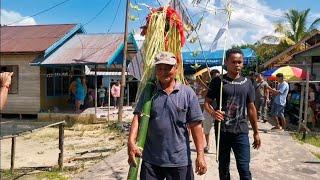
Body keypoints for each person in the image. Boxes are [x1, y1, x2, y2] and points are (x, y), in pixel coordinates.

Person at [127, 51, 207, 180]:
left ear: (176, 69)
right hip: (151, 160)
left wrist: (200, 155)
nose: (163, 72)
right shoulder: (149, 92)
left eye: (168, 68)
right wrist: (131, 141)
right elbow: (137, 117)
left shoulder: (187, 93)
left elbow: (196, 125)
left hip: (179, 160)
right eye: (160, 68)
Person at [204, 48, 261, 180]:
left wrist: (256, 132)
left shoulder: (247, 83)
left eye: (240, 62)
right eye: (234, 62)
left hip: (241, 131)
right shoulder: (218, 81)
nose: (237, 65)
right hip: (222, 131)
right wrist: (213, 112)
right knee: (223, 168)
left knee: (244, 168)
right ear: (226, 62)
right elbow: (207, 103)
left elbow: (251, 108)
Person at [203, 69, 220, 153]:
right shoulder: (208, 85)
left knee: (220, 129)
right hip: (208, 108)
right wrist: (207, 89)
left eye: (218, 76)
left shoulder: (222, 84)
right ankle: (207, 144)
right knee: (206, 128)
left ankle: (219, 146)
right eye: (215, 76)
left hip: (218, 109)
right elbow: (204, 98)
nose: (217, 78)